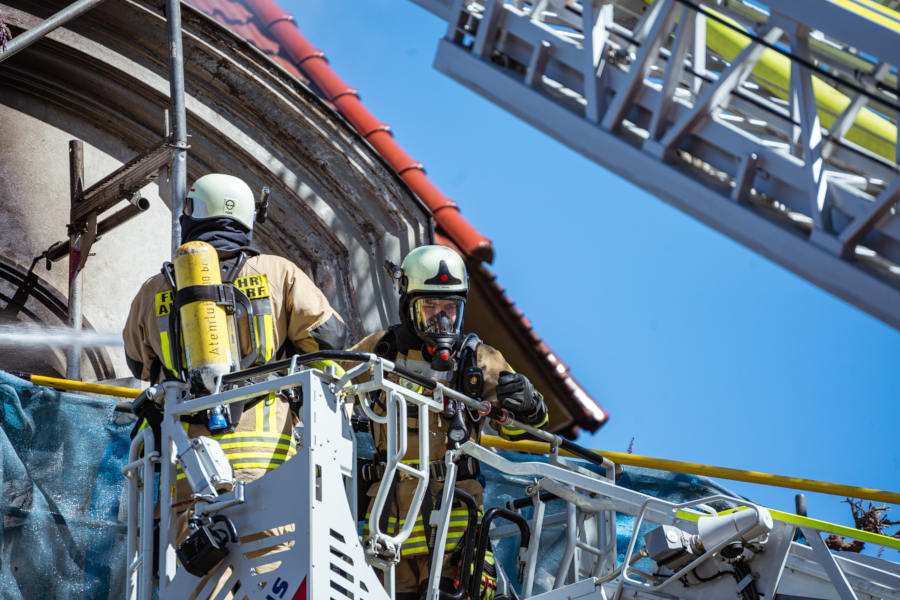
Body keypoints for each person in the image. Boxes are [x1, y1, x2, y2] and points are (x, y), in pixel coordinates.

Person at [122, 173, 347, 578]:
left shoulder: (156, 288)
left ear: (191, 216)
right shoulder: (280, 273)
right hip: (267, 465)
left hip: (191, 470)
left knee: (201, 576)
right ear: (246, 217)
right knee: (270, 576)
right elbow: (331, 338)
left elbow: (139, 365)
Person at [351, 244, 548, 599]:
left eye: (449, 309)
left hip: (454, 524)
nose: (441, 319)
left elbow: (523, 428)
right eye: (430, 307)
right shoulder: (379, 349)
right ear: (407, 304)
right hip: (386, 523)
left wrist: (528, 404)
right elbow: (327, 382)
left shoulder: (479, 360)